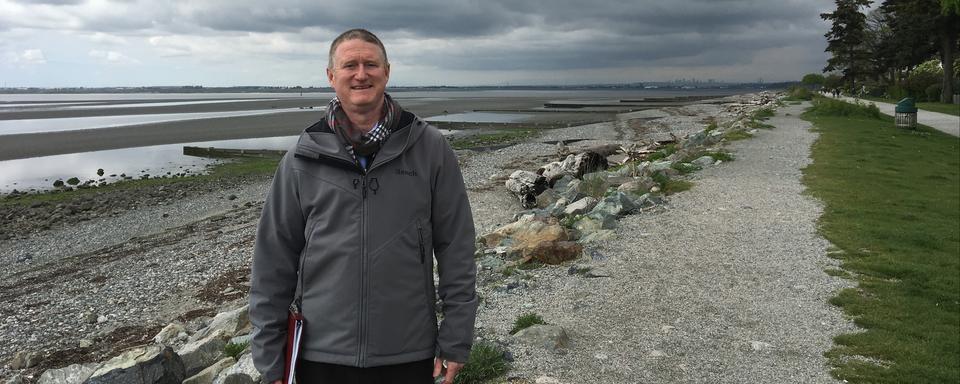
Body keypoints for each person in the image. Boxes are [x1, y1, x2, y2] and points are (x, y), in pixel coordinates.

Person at [249, 28, 478, 384]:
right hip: (320, 354)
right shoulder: (302, 159)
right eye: (349, 65)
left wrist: (456, 337)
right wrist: (270, 358)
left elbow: (457, 247)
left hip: (408, 351)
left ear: (387, 72)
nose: (361, 74)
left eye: (371, 64)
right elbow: (272, 262)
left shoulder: (430, 149)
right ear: (331, 76)